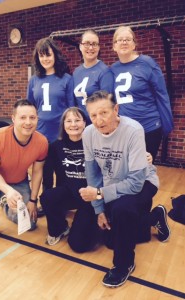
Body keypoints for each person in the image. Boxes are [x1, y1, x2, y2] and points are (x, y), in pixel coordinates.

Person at [79, 91, 170, 288]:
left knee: (122, 211)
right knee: (113, 239)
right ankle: (154, 217)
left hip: (143, 182)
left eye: (103, 112)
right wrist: (99, 210)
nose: (98, 120)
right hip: (113, 183)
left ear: (116, 109)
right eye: (93, 115)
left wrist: (100, 194)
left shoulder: (133, 130)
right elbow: (92, 174)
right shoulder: (88, 133)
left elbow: (136, 183)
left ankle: (123, 265)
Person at [0, 100, 48, 246]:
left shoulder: (42, 142)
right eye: (22, 117)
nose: (28, 122)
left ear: (37, 119)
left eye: (32, 117)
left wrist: (33, 201)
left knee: (31, 224)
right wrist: (8, 191)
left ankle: (7, 207)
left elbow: (37, 171)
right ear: (13, 119)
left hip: (19, 180)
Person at [40, 107, 100, 252]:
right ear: (63, 124)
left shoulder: (95, 143)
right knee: (47, 196)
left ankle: (93, 225)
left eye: (77, 120)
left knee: (79, 245)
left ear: (85, 123)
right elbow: (47, 173)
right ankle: (61, 228)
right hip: (69, 193)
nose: (73, 124)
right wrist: (47, 202)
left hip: (90, 198)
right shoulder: (55, 146)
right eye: (69, 121)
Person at [111, 26, 174, 161]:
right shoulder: (113, 69)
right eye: (119, 40)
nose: (124, 42)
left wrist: (166, 124)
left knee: (144, 170)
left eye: (128, 39)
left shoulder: (147, 63)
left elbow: (161, 94)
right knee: (125, 169)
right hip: (124, 129)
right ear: (114, 46)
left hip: (149, 127)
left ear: (134, 44)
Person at [27, 37, 75, 215]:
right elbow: (30, 108)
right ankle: (47, 205)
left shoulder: (66, 79)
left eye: (48, 54)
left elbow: (71, 108)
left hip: (61, 136)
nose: (45, 59)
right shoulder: (34, 80)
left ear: (55, 55)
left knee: (62, 173)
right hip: (41, 136)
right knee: (45, 174)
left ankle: (61, 204)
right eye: (41, 56)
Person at [73, 29, 114, 124]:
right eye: (86, 43)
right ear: (80, 46)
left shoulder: (104, 72)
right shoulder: (76, 72)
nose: (90, 48)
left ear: (99, 47)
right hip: (80, 125)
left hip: (97, 124)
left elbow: (106, 104)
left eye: (94, 44)